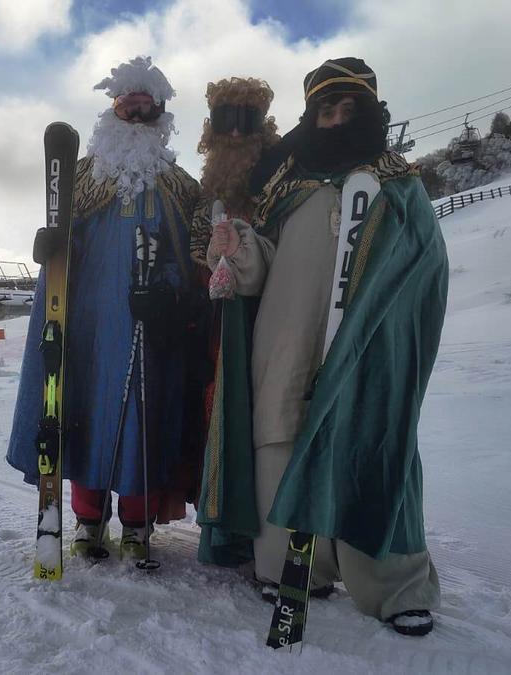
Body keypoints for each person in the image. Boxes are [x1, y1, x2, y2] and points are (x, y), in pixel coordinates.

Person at [208, 58, 448, 636]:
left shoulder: (399, 185)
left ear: (370, 115)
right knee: (280, 444)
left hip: (369, 348)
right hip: (286, 342)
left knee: (372, 448)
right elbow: (263, 265)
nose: (337, 120)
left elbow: (426, 265)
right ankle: (291, 568)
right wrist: (239, 249)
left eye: (348, 110)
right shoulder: (287, 187)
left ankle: (394, 587)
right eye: (326, 111)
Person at [7, 56, 200, 559]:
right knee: (82, 412)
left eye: (144, 107)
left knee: (142, 419)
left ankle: (137, 525)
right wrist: (50, 244)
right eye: (124, 106)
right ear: (110, 112)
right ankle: (88, 521)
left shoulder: (180, 187)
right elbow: (65, 239)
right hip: (88, 322)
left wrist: (168, 295)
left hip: (148, 327)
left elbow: (190, 254)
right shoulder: (82, 178)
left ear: (160, 114)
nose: (134, 117)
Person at [188, 77, 282, 567]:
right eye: (227, 120)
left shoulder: (280, 177)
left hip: (270, 314)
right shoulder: (205, 188)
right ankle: (224, 526)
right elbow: (192, 248)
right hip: (217, 320)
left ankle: (264, 532)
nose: (238, 132)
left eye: (249, 120)